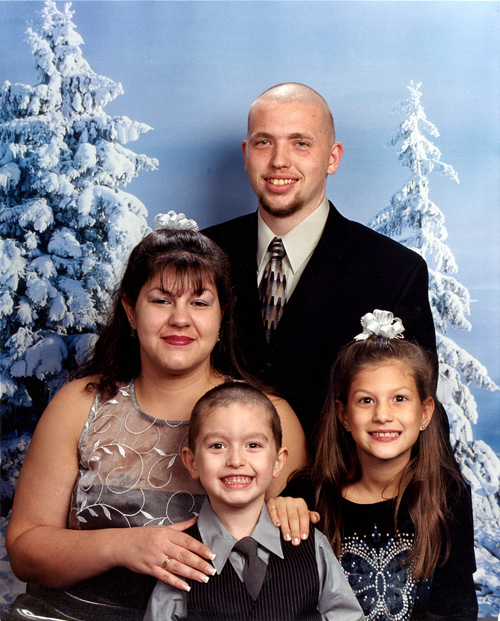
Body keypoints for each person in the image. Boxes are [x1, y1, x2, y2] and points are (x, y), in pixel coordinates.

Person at [5, 226, 308, 621]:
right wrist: (124, 546)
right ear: (131, 311)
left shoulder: (270, 416)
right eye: (162, 300)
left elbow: (291, 568)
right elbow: (25, 550)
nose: (180, 319)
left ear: (222, 315)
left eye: (199, 303)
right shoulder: (79, 405)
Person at [204, 82, 437, 441]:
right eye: (264, 142)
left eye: (300, 143)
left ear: (332, 157)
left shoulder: (394, 272)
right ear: (246, 154)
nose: (279, 160)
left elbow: (418, 417)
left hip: (337, 476)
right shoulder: (203, 254)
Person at [288, 310, 477, 620]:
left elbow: (457, 611)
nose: (383, 415)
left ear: (425, 413)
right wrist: (277, 510)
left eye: (399, 399)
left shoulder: (448, 498)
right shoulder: (308, 496)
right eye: (366, 400)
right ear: (344, 415)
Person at [145, 381, 364, 621]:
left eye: (253, 445)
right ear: (192, 462)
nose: (236, 460)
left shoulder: (312, 545)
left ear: (278, 462)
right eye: (217, 445)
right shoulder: (180, 557)